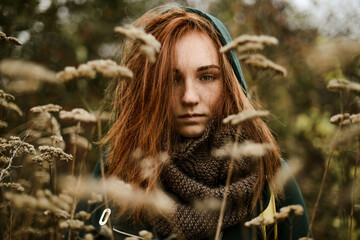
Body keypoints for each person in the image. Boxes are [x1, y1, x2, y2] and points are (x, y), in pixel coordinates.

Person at [75, 4, 312, 240]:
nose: (189, 97)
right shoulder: (115, 168)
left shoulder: (269, 175)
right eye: (172, 79)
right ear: (148, 87)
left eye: (207, 76)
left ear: (228, 85)